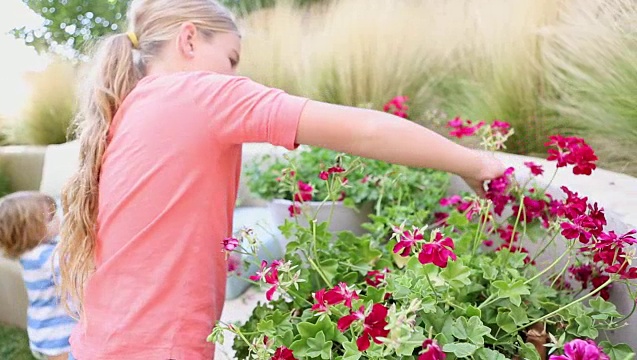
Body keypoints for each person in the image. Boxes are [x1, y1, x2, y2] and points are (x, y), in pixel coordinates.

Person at [56, 0, 506, 359]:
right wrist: (471, 163)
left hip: (100, 342)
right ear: (189, 39)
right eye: (231, 58)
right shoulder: (203, 93)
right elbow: (365, 129)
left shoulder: (129, 109)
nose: (235, 73)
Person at [0, 191, 76, 360]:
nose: (57, 219)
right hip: (55, 331)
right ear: (30, 229)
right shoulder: (39, 258)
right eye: (50, 218)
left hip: (50, 328)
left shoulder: (37, 251)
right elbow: (74, 259)